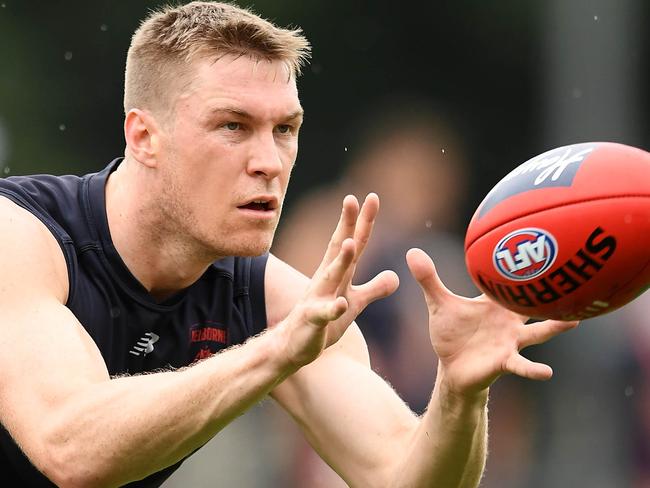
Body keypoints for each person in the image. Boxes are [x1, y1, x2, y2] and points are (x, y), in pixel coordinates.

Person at [0, 2, 576, 487]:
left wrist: (458, 393)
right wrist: (274, 352)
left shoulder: (281, 304)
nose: (270, 163)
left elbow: (401, 476)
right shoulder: (20, 236)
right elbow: (69, 450)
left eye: (285, 130)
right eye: (233, 126)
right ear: (144, 137)